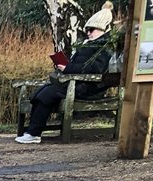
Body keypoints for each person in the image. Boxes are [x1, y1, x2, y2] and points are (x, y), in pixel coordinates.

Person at [16, 2, 116, 144]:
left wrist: (67, 68)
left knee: (48, 93)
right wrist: (65, 65)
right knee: (41, 92)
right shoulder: (90, 44)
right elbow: (81, 65)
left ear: (102, 29)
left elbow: (96, 69)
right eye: (87, 29)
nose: (88, 33)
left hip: (87, 87)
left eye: (91, 29)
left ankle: (34, 133)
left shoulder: (103, 46)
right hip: (75, 83)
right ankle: (32, 131)